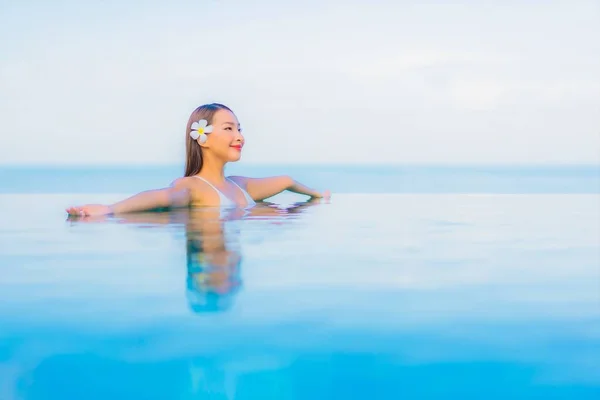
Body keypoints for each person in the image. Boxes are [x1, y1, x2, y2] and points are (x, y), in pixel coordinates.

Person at [66, 103, 330, 217]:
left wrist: (317, 195)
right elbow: (161, 197)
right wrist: (110, 210)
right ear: (202, 138)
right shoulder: (193, 187)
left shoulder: (239, 185)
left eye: (240, 128)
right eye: (229, 129)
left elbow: (286, 181)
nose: (239, 136)